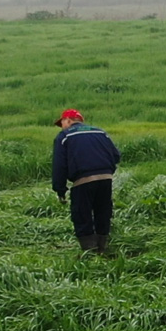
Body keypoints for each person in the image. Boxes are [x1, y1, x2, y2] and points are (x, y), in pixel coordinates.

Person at [52, 108, 121, 252]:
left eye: (62, 122)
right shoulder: (100, 132)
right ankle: (103, 246)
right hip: (106, 178)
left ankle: (89, 251)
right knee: (103, 211)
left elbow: (59, 165)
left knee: (81, 214)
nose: (62, 126)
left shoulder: (64, 136)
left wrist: (60, 189)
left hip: (82, 181)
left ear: (68, 121)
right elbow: (116, 156)